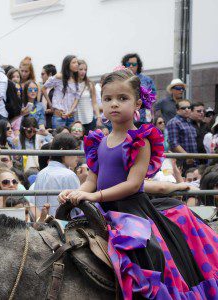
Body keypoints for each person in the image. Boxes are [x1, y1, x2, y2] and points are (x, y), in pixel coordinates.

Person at [59, 69, 218, 299]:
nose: (114, 104)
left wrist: (95, 196)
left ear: (137, 103)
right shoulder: (98, 142)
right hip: (103, 209)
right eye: (108, 98)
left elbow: (134, 185)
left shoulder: (140, 140)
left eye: (122, 98)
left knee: (146, 252)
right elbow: (91, 181)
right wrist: (77, 192)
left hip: (132, 210)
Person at [33, 133, 80, 216]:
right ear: (63, 150)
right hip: (66, 225)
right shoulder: (69, 175)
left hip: (44, 224)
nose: (78, 156)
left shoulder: (41, 173)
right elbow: (79, 207)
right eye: (75, 150)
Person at [41, 55, 80, 128]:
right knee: (59, 138)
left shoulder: (76, 79)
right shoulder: (59, 76)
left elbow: (77, 98)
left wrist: (70, 111)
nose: (77, 64)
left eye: (77, 62)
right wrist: (50, 105)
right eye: (74, 62)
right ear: (67, 64)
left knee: (71, 138)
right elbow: (43, 88)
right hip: (59, 115)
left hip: (71, 116)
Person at [121, 53, 156, 123]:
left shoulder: (146, 80)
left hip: (144, 117)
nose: (131, 66)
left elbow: (153, 97)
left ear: (138, 65)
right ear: (124, 65)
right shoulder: (120, 79)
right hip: (126, 117)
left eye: (134, 64)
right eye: (128, 64)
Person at [166, 99, 197, 172]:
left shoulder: (189, 122)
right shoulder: (174, 122)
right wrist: (187, 156)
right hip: (181, 161)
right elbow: (174, 143)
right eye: (183, 108)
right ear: (177, 110)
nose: (187, 110)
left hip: (192, 160)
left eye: (189, 107)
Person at [77, 60, 102, 134]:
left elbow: (94, 103)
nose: (83, 72)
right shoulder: (72, 84)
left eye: (85, 70)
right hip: (77, 119)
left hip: (89, 118)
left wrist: (98, 117)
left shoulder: (90, 84)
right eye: (81, 69)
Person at [40, 64, 57, 129]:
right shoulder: (41, 89)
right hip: (42, 123)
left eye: (43, 74)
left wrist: (48, 110)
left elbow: (60, 108)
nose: (41, 76)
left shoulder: (57, 90)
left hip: (52, 123)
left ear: (50, 75)